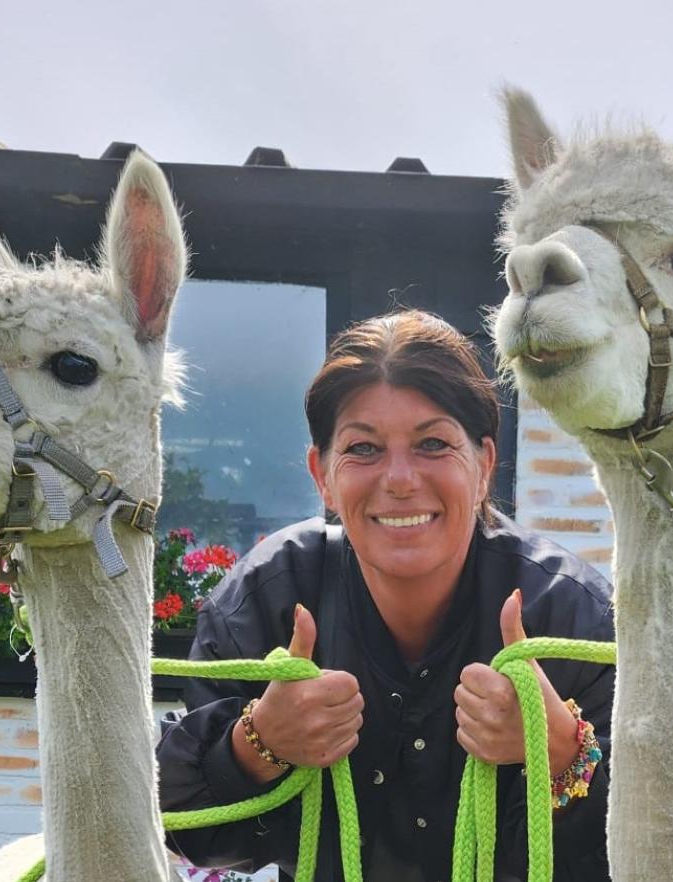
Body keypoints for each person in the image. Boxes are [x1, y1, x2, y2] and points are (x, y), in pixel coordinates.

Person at [156, 310, 614, 882]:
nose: (398, 478)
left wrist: (564, 753)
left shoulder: (572, 616)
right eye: (364, 449)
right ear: (321, 475)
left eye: (432, 443)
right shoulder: (266, 598)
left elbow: (645, 844)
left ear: (484, 466)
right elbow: (177, 823)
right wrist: (258, 744)